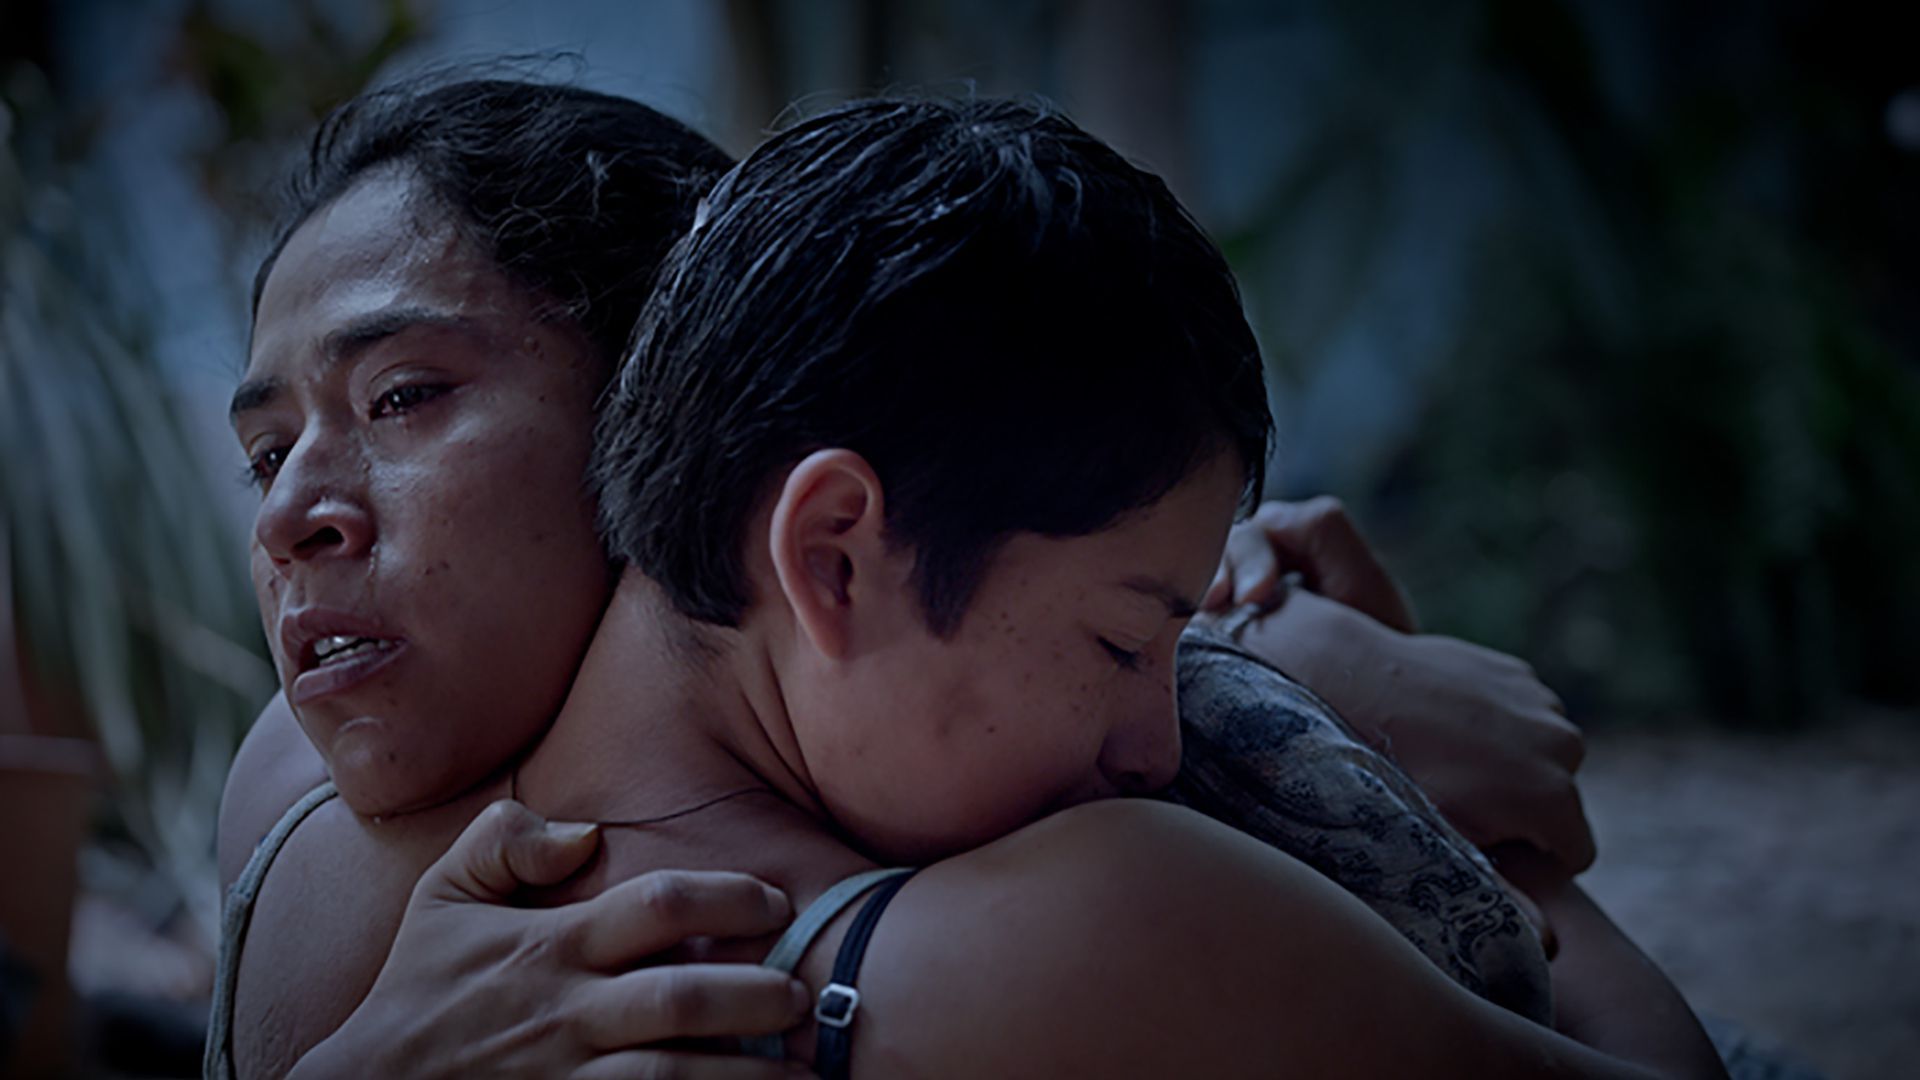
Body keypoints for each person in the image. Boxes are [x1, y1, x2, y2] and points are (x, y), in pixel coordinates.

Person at [226, 88, 1724, 1078]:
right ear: (822, 552)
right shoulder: (1086, 923)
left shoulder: (301, 808)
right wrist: (1443, 832)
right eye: (1132, 638)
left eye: (406, 397)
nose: (293, 514)